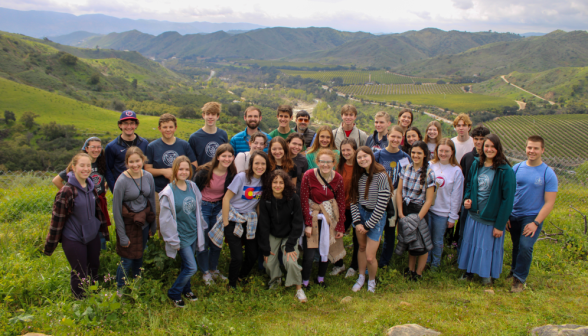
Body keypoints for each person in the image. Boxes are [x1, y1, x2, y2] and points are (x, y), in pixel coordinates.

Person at [44, 153, 110, 299]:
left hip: (92, 235)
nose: (86, 169)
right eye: (82, 165)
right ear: (73, 167)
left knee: (94, 267)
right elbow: (57, 220)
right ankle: (81, 302)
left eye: (88, 166)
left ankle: (93, 295)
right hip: (74, 237)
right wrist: (50, 245)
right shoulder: (67, 191)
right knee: (79, 272)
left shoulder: (90, 186)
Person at [458, 134, 515, 284]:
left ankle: (486, 276)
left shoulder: (505, 170)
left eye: (492, 146)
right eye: (486, 146)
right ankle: (469, 272)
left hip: (490, 218)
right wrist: (467, 199)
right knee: (471, 244)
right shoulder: (477, 164)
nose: (489, 149)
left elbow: (507, 200)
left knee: (486, 247)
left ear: (498, 149)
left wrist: (500, 225)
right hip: (474, 214)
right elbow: (469, 184)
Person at [507, 135, 558, 293]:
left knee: (525, 246)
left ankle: (519, 279)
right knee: (517, 245)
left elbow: (549, 202)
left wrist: (536, 223)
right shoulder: (517, 168)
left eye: (536, 148)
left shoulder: (547, 174)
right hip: (514, 214)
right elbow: (509, 192)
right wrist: (507, 215)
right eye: (529, 147)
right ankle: (514, 270)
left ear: (542, 150)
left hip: (532, 216)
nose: (532, 151)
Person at [213, 150, 269, 289]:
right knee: (237, 257)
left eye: (263, 164)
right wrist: (226, 223)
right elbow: (226, 198)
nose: (260, 167)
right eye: (256, 163)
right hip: (233, 217)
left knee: (253, 255)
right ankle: (231, 285)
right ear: (251, 164)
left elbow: (258, 205)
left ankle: (241, 276)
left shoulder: (265, 180)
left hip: (250, 219)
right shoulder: (242, 177)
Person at [159, 156, 206, 308]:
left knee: (187, 265)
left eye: (187, 169)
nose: (184, 172)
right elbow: (165, 220)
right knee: (192, 267)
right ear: (175, 170)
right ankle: (174, 292)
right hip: (180, 236)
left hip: (193, 232)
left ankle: (187, 290)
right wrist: (173, 240)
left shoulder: (192, 186)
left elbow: (197, 208)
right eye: (181, 169)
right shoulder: (168, 192)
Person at [52, 137, 111, 250]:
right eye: (93, 147)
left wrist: (105, 188)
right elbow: (56, 180)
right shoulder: (80, 163)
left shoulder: (101, 162)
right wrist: (72, 195)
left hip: (98, 202)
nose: (96, 150)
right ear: (86, 148)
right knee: (85, 229)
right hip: (83, 203)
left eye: (99, 147)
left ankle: (100, 255)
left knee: (100, 228)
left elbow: (107, 178)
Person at [300, 149, 346, 289]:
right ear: (317, 162)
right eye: (322, 161)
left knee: (325, 250)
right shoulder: (309, 175)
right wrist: (307, 224)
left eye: (329, 162)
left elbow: (341, 202)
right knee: (309, 253)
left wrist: (340, 226)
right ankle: (305, 281)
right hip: (312, 217)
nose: (325, 165)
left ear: (334, 163)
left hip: (329, 218)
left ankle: (321, 278)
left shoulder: (338, 178)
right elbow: (303, 200)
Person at [258, 170, 307, 302]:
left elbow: (297, 223)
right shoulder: (266, 199)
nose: (278, 185)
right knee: (268, 262)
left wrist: (290, 244)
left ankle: (298, 288)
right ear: (270, 183)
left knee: (291, 261)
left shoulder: (293, 198)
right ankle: (276, 279)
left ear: (286, 184)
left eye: (281, 182)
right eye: (275, 182)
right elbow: (264, 224)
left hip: (289, 235)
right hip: (273, 234)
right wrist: (265, 247)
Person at [112, 147, 157, 292]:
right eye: (131, 162)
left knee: (139, 256)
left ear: (143, 160)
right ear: (126, 162)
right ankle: (120, 290)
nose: (135, 164)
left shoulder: (148, 176)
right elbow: (117, 210)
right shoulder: (122, 181)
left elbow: (151, 201)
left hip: (143, 223)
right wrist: (122, 235)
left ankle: (136, 286)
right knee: (127, 259)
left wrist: (153, 224)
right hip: (129, 224)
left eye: (137, 161)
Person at [349, 147, 392, 293]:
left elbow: (382, 203)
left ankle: (371, 280)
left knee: (370, 256)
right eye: (359, 158)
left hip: (376, 217)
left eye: (365, 156)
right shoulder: (359, 176)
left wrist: (368, 225)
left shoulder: (381, 176)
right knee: (361, 248)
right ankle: (361, 277)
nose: (362, 159)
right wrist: (357, 222)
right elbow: (353, 200)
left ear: (371, 156)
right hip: (361, 214)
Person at [145, 114, 197, 231]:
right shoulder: (152, 147)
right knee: (161, 220)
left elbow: (194, 165)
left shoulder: (184, 145)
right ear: (159, 128)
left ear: (175, 127)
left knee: (180, 218)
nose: (168, 130)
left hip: (180, 191)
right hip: (159, 191)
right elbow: (147, 169)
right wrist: (163, 171)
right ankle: (164, 246)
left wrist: (179, 174)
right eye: (164, 127)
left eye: (170, 127)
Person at [193, 144, 236, 285]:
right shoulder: (204, 172)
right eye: (224, 156)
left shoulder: (231, 174)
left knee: (216, 240)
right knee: (203, 240)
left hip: (218, 207)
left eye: (230, 156)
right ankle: (205, 272)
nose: (227, 158)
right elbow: (193, 191)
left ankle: (213, 269)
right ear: (217, 157)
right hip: (203, 206)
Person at [396, 141, 436, 281]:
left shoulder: (430, 174)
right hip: (405, 208)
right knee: (410, 240)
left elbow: (429, 200)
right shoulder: (405, 168)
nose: (415, 155)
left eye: (419, 153)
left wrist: (418, 218)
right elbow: (399, 192)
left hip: (419, 210)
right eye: (413, 152)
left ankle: (418, 273)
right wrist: (400, 213)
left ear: (425, 154)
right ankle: (410, 269)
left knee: (422, 242)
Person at [374, 125, 412, 268]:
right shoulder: (378, 155)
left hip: (396, 198)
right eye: (393, 136)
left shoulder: (405, 157)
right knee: (376, 227)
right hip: (380, 196)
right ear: (388, 136)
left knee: (390, 230)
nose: (395, 139)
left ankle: (384, 261)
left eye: (398, 137)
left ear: (402, 139)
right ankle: (372, 257)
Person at [427, 138, 464, 270]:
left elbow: (456, 195)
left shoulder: (456, 171)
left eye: (446, 151)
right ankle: (425, 262)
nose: (443, 153)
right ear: (436, 151)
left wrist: (453, 216)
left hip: (442, 212)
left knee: (437, 240)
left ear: (452, 152)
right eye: (441, 150)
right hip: (428, 209)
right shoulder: (430, 165)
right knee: (426, 238)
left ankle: (435, 265)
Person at [456, 125, 490, 248]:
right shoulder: (468, 157)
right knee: (463, 230)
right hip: (467, 201)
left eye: (482, 139)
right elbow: (463, 182)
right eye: (476, 138)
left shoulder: (492, 159)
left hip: (485, 204)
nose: (479, 142)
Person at [331, 139, 359, 277]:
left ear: (355, 150)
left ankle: (354, 266)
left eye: (349, 150)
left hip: (358, 207)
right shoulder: (339, 166)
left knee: (357, 238)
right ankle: (339, 264)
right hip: (342, 207)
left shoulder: (360, 165)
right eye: (343, 150)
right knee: (336, 235)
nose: (346, 153)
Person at [105, 110, 149, 191]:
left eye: (132, 123)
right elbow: (108, 171)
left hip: (141, 188)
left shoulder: (144, 143)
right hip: (122, 189)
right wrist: (115, 190)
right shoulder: (111, 147)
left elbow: (146, 166)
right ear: (120, 125)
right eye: (125, 123)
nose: (129, 127)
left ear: (136, 125)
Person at [188, 102, 229, 167]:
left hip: (219, 174)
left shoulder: (223, 134)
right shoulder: (194, 137)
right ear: (203, 115)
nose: (210, 117)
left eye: (213, 114)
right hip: (201, 175)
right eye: (208, 114)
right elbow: (191, 162)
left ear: (217, 116)